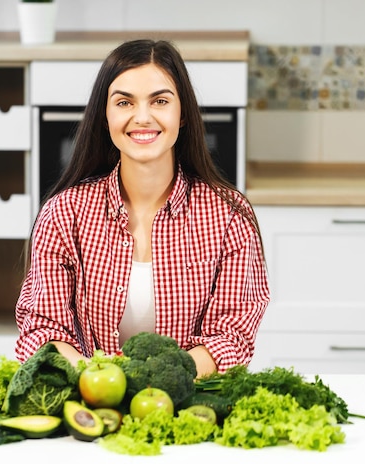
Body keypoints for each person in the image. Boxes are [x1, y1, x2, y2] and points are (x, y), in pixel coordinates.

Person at [14, 38, 270, 377]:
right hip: (92, 406)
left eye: (160, 101)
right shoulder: (63, 213)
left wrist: (159, 382)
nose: (143, 117)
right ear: (105, 117)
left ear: (182, 116)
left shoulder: (230, 216)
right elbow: (44, 328)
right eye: (124, 102)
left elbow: (231, 337)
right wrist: (102, 383)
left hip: (189, 408)